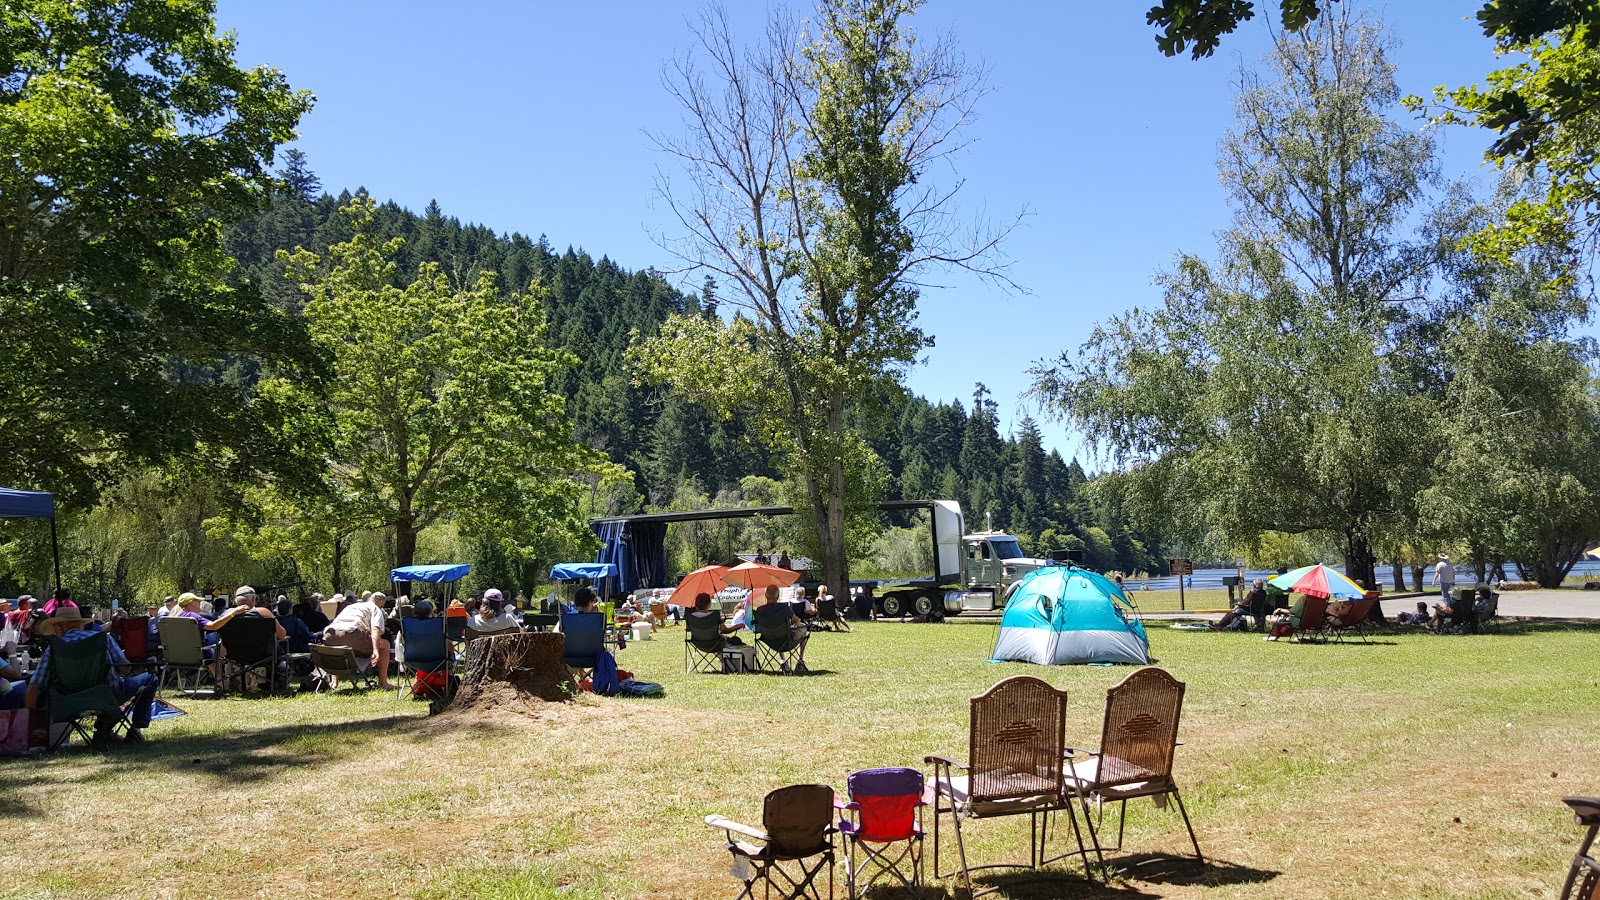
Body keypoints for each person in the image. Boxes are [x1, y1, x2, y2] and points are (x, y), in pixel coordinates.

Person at [25, 619, 157, 745]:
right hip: (108, 697)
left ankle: (103, 731)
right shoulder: (103, 638)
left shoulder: (53, 649)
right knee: (150, 679)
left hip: (68, 701)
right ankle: (135, 730)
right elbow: (125, 669)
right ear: (81, 625)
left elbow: (34, 687)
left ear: (59, 628)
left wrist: (29, 724)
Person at [322, 591, 393, 691]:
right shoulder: (376, 609)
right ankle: (383, 683)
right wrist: (376, 650)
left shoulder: (351, 606)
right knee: (385, 645)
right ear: (381, 605)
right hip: (352, 633)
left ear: (369, 599)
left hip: (330, 634)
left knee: (337, 647)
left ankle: (334, 682)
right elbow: (375, 629)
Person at [755, 585, 810, 673]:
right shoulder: (784, 608)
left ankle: (783, 661)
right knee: (803, 628)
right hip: (786, 640)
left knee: (777, 631)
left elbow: (756, 628)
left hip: (769, 640)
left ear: (765, 595)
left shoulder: (759, 610)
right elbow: (797, 622)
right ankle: (800, 661)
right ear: (778, 596)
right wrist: (799, 624)